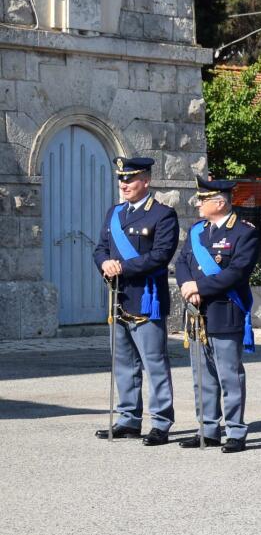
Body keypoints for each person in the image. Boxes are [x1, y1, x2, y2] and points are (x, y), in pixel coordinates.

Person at [92, 157, 179, 445]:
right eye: (121, 179)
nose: (124, 184)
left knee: (154, 363)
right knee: (123, 363)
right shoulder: (115, 213)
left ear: (146, 181)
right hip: (118, 297)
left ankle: (161, 422)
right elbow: (100, 248)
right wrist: (105, 263)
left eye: (130, 179)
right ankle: (128, 419)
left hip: (146, 297)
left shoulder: (163, 215)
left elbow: (161, 255)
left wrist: (122, 267)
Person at [175, 176, 260, 453]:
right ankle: (208, 429)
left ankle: (235, 431)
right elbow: (182, 263)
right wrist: (189, 287)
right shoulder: (198, 230)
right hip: (197, 312)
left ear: (220, 202)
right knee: (202, 374)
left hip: (225, 310)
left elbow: (236, 273)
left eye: (202, 199)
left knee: (229, 374)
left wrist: (200, 286)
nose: (197, 203)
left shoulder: (244, 233)